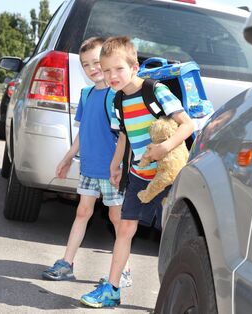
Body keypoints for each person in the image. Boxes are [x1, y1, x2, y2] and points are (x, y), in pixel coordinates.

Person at [80, 36, 194, 308]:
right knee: (124, 228)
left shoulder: (154, 90)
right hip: (139, 176)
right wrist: (115, 165)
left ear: (134, 67)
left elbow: (186, 125)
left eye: (118, 69)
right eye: (106, 70)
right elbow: (123, 136)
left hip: (169, 176)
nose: (111, 75)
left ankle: (175, 298)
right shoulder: (118, 100)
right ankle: (112, 289)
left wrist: (162, 147)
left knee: (172, 236)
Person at [42, 37, 131, 287]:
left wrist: (121, 165)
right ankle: (66, 263)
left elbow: (125, 134)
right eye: (85, 64)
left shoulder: (116, 96)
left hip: (112, 170)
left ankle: (123, 270)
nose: (92, 68)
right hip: (90, 167)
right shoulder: (86, 94)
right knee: (82, 212)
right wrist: (69, 156)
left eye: (96, 62)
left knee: (118, 220)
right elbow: (84, 131)